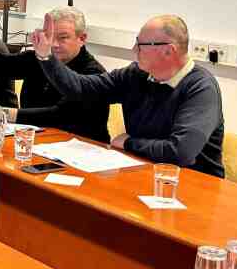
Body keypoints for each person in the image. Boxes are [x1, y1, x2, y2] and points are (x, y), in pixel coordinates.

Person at [31, 13, 225, 177]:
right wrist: (46, 56)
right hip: (143, 171)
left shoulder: (201, 88)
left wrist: (128, 142)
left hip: (193, 184)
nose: (133, 50)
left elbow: (180, 152)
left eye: (140, 45)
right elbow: (81, 89)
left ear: (168, 50)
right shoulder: (136, 74)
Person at [0, 0, 110, 142]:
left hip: (82, 146)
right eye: (50, 36)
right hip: (37, 139)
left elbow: (59, 115)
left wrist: (0, 112)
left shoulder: (93, 73)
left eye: (63, 38)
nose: (54, 44)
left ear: (82, 39)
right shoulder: (37, 58)